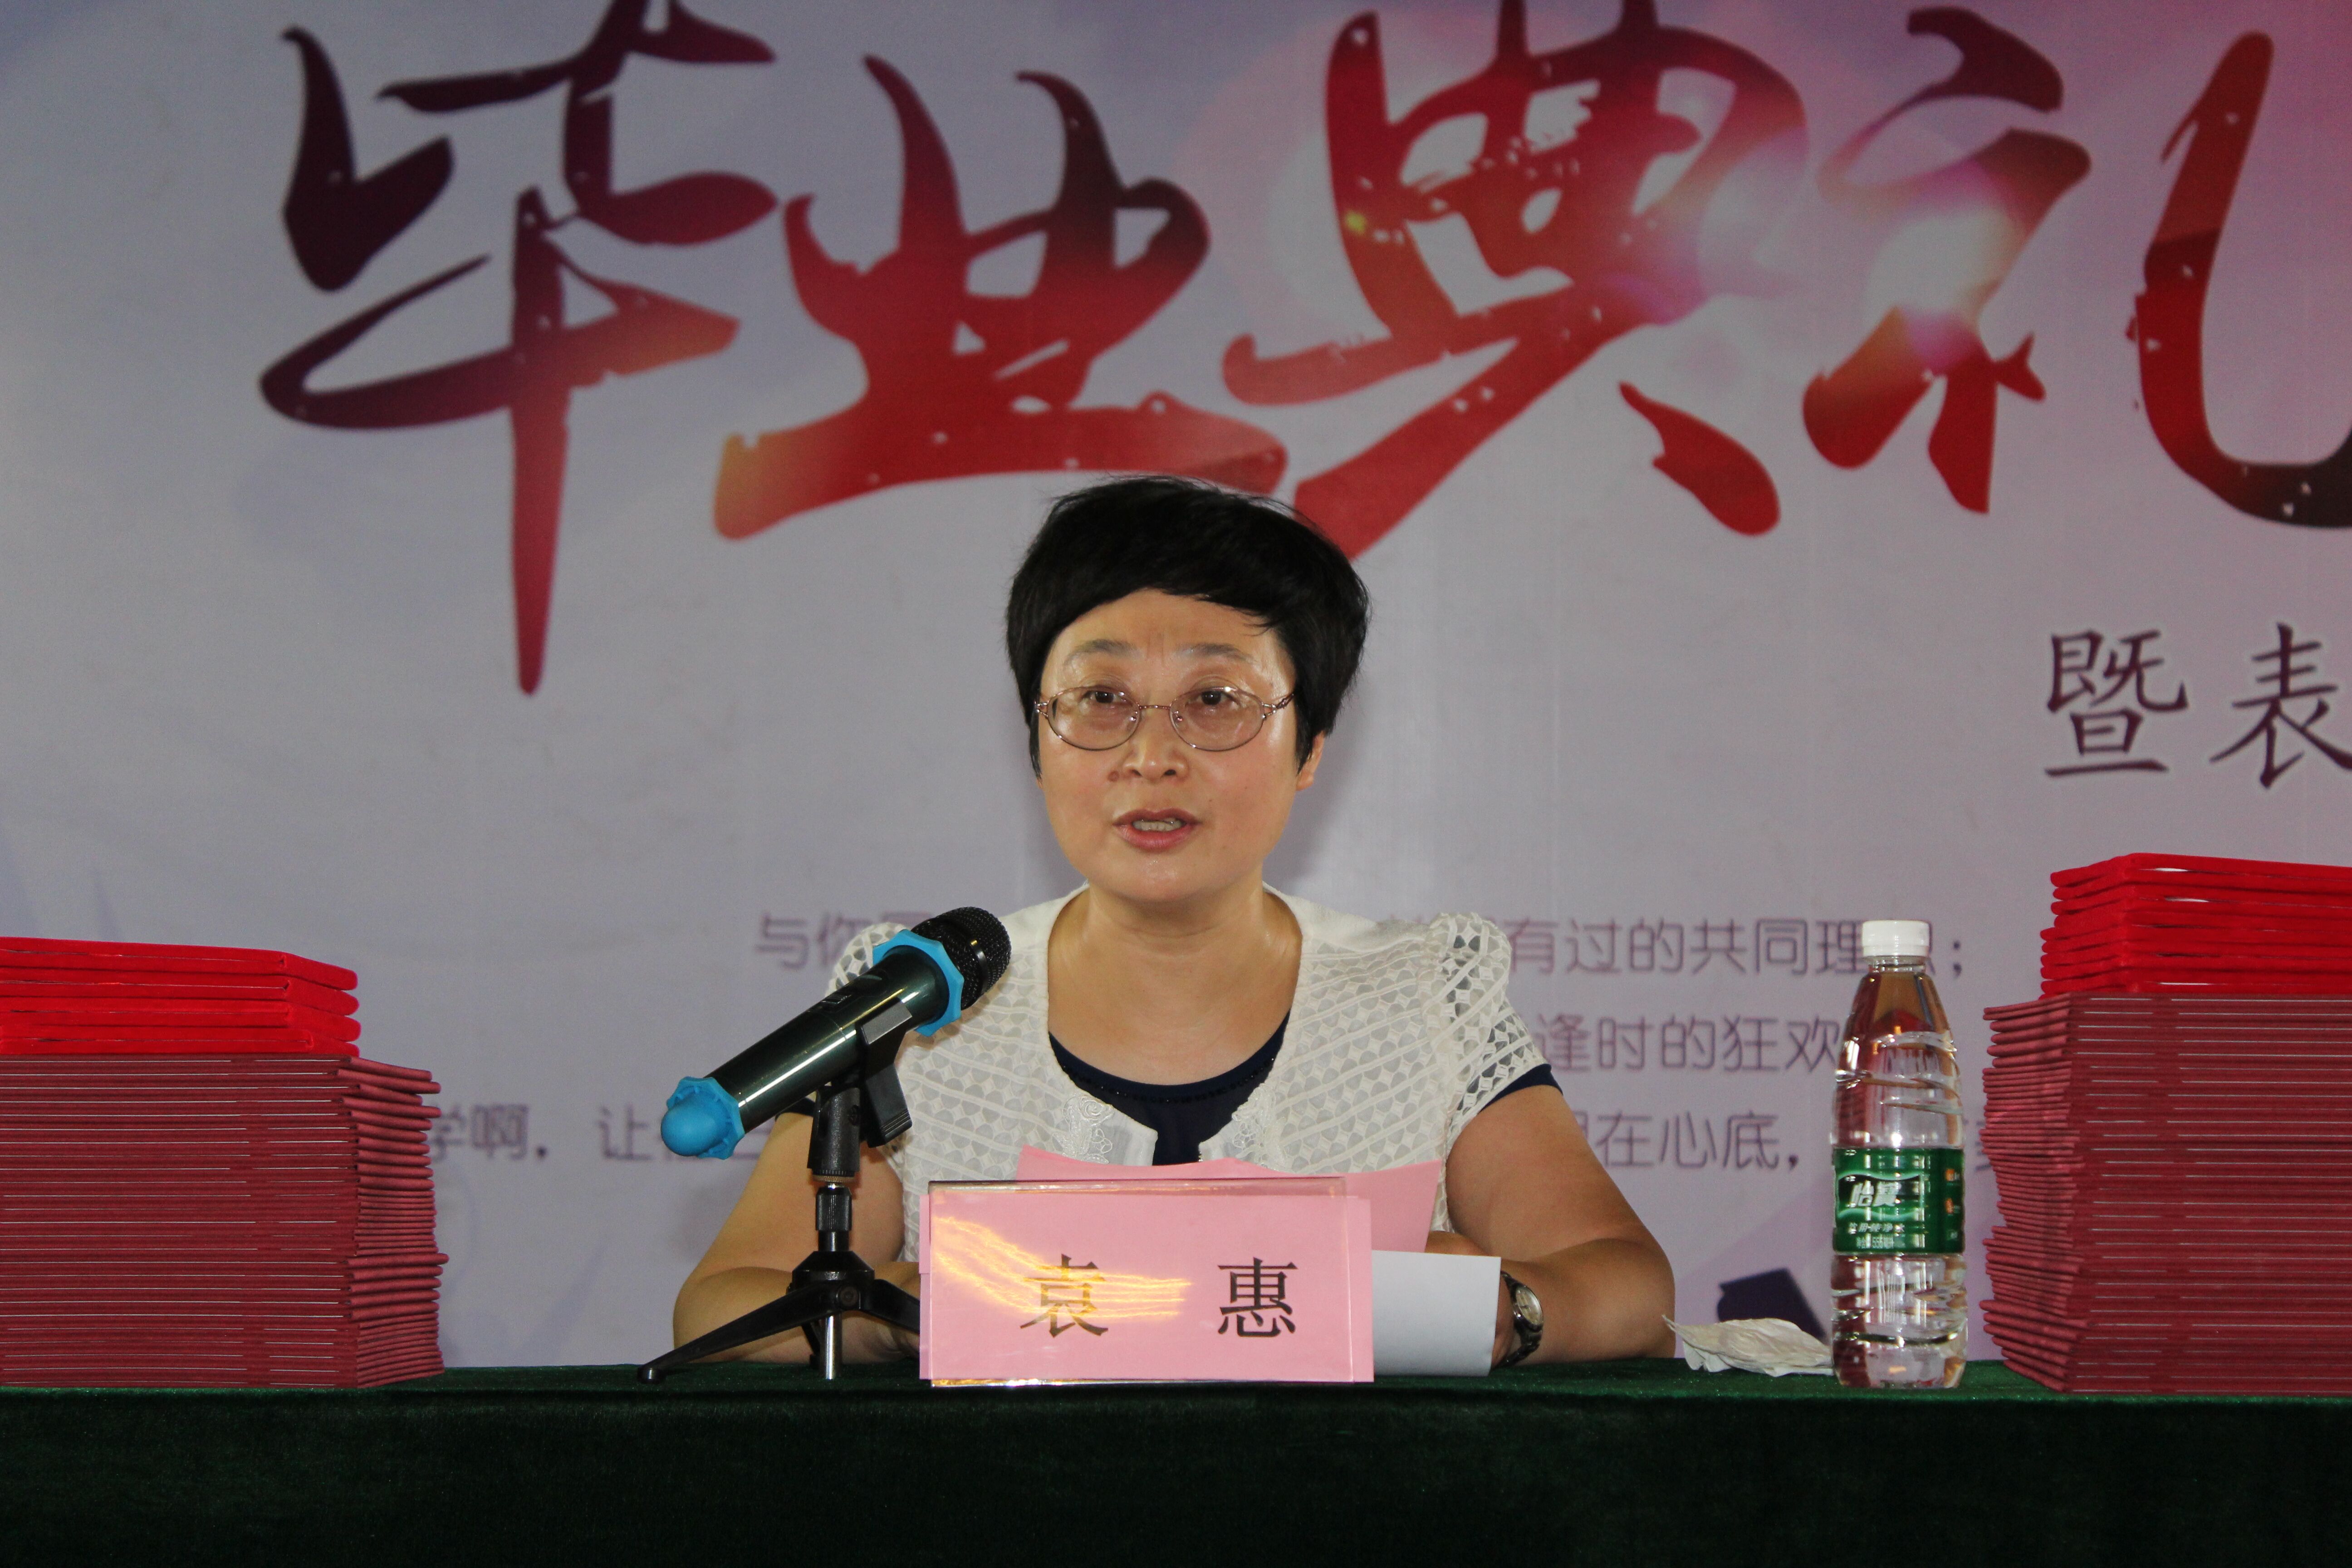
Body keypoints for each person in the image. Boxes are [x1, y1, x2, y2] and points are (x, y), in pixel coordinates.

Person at [676, 476, 1674, 1366]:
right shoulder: (923, 1001)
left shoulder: (1424, 996)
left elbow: (1626, 1284)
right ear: (1036, 737)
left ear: (1310, 746)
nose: (1152, 755)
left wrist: (1509, 1311)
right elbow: (723, 1303)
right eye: (1102, 697)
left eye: (1216, 699)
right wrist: (902, 1310)